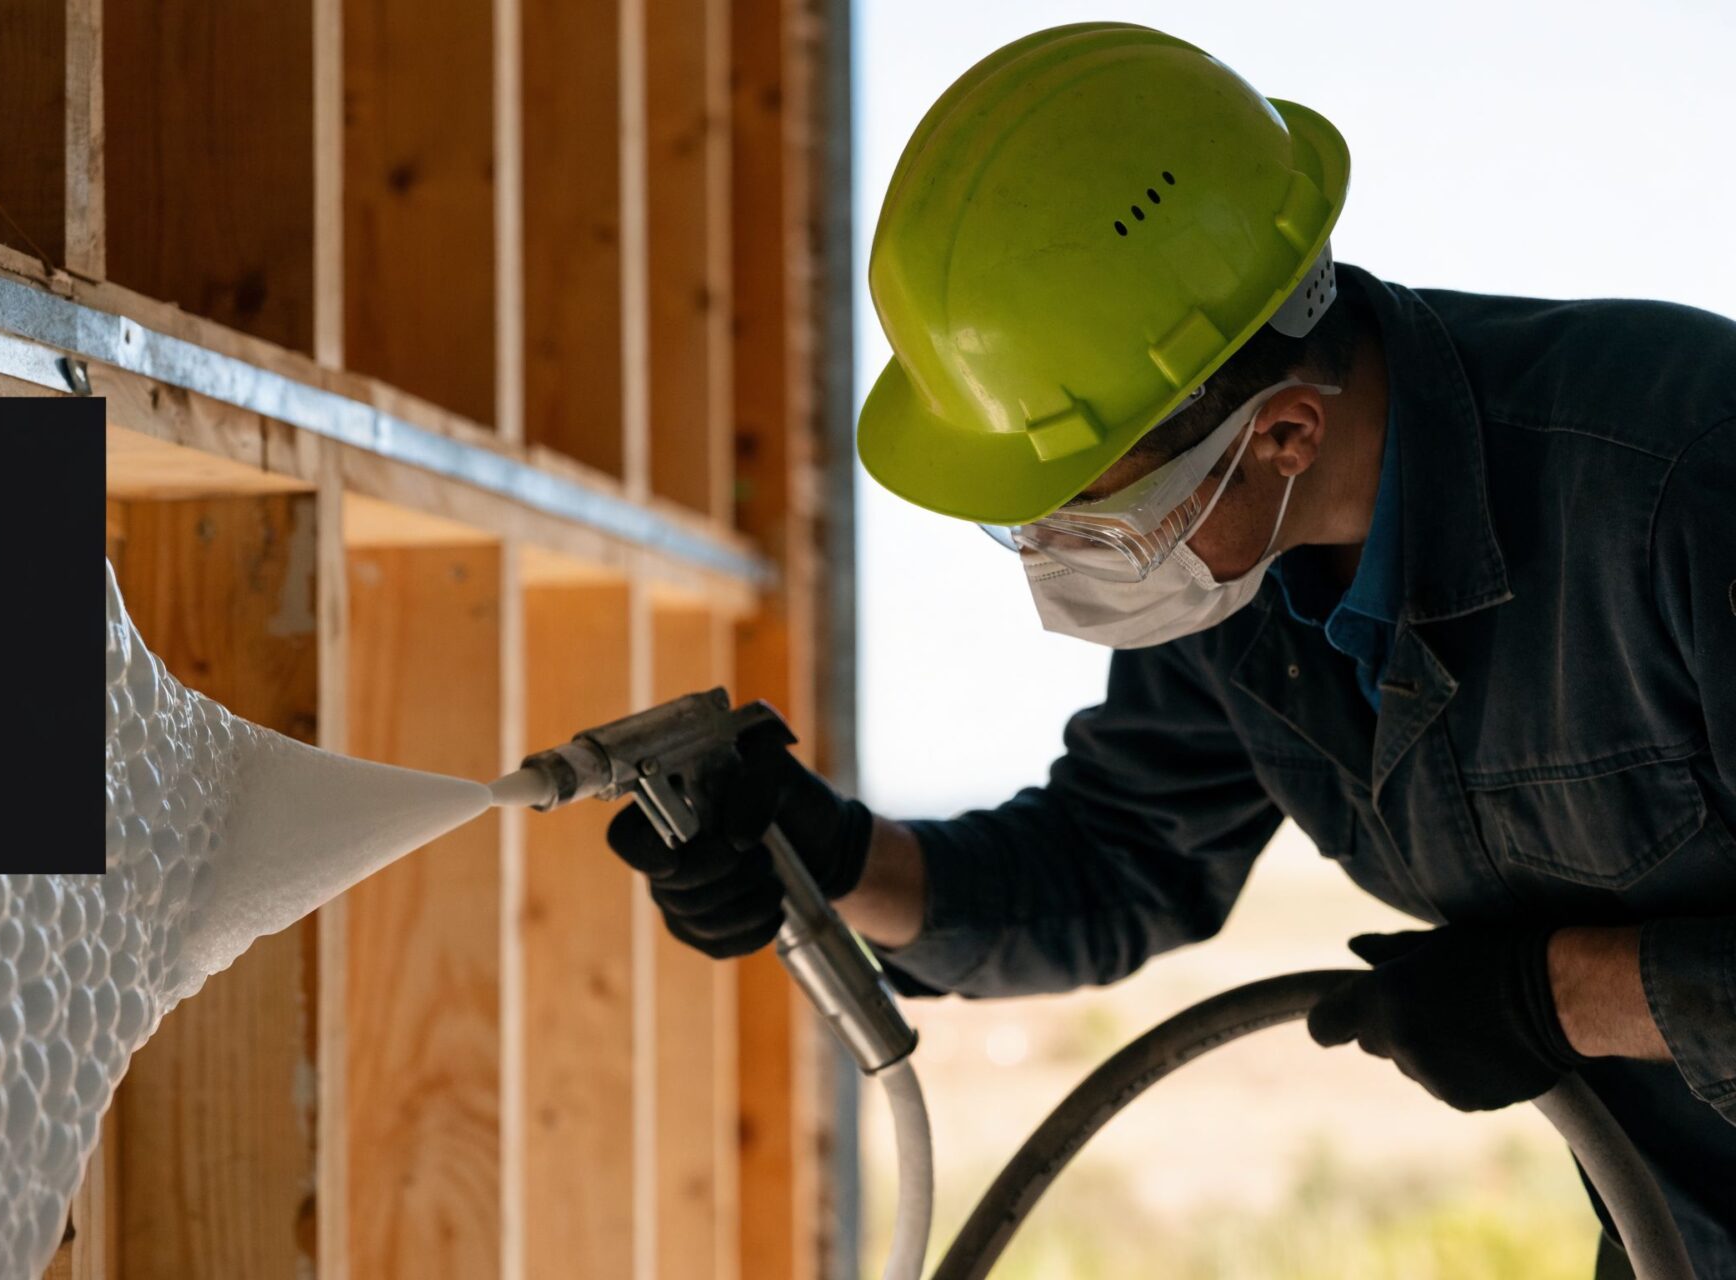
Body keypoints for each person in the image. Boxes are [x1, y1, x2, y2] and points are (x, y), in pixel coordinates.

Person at [605, 22, 1735, 1276]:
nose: (1054, 552)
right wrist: (832, 856)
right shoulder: (1241, 574)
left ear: (1286, 432)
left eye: (1090, 508)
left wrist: (1563, 995)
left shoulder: (1683, 479)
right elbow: (1115, 863)